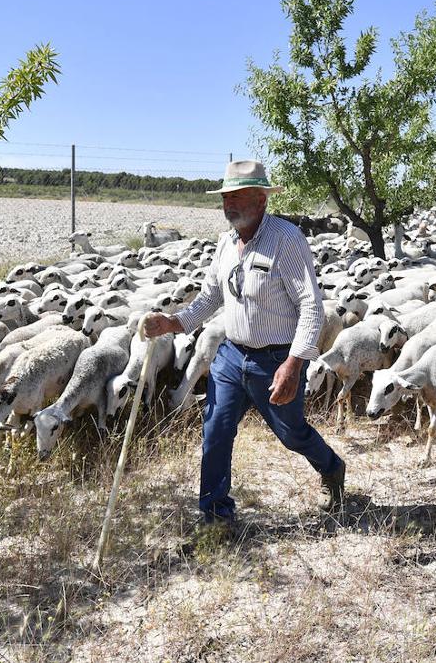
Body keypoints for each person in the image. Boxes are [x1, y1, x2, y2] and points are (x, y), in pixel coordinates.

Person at [141, 159, 344, 531]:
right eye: (225, 197)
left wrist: (294, 364)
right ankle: (216, 513)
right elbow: (211, 296)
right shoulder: (226, 242)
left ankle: (332, 468)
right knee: (216, 428)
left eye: (238, 196)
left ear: (262, 199)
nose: (229, 204)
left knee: (291, 433)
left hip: (277, 359)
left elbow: (311, 306)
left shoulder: (286, 239)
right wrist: (174, 323)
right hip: (232, 356)